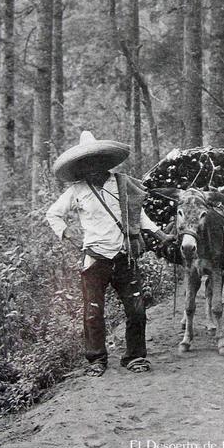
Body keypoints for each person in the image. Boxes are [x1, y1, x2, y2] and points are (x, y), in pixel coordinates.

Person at [46, 131, 174, 377]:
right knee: (93, 312)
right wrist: (69, 236)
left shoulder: (122, 184)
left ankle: (135, 356)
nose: (91, 167)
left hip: (124, 257)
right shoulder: (77, 191)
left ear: (104, 161)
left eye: (95, 161)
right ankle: (96, 359)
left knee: (136, 309)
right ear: (80, 167)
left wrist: (162, 236)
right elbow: (54, 214)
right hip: (95, 259)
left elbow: (139, 216)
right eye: (85, 163)